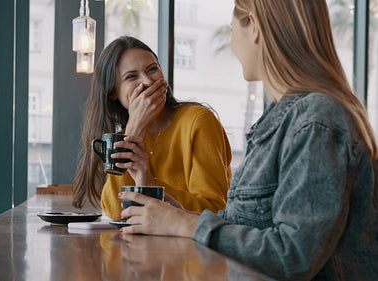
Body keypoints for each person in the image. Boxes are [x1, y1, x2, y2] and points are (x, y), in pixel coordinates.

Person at [118, 1, 378, 280]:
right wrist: (173, 214)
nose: (231, 43)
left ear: (253, 27)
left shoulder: (316, 119)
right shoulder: (283, 117)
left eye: (232, 30)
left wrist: (182, 224)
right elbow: (249, 227)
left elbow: (294, 257)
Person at [72, 36, 232, 220]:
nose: (148, 81)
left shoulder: (199, 121)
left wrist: (150, 185)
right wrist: (133, 130)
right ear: (114, 92)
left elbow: (214, 209)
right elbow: (117, 212)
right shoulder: (126, 135)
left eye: (153, 69)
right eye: (131, 76)